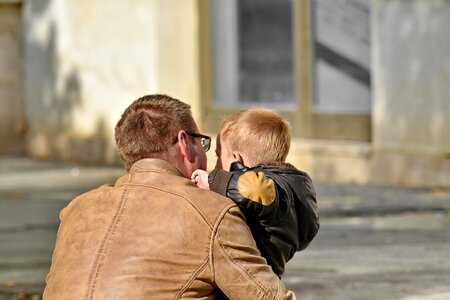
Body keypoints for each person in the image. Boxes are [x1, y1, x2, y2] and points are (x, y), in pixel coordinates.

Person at [43, 95, 296, 299]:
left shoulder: (77, 210)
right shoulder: (211, 212)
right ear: (185, 143)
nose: (211, 164)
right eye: (205, 145)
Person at [192, 108, 320, 277]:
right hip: (266, 277)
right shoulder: (292, 186)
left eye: (218, 156)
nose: (215, 166)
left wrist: (213, 180)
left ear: (237, 161)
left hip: (251, 278)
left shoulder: (273, 188)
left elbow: (256, 189)